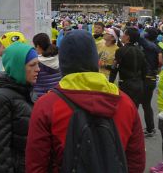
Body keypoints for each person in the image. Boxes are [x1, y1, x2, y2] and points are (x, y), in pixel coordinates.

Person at [26, 30, 145, 173]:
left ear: (63, 63)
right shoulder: (124, 102)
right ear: (95, 60)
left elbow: (36, 164)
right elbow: (136, 161)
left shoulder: (47, 105)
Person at [0, 42, 39, 173]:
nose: (38, 69)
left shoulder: (29, 90)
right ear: (18, 67)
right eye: (32, 65)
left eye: (38, 64)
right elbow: (1, 150)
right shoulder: (0, 98)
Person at [110, 27, 147, 108]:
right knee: (134, 111)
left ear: (128, 37)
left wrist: (110, 84)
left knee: (125, 110)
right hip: (139, 84)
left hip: (126, 85)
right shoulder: (140, 51)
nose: (122, 36)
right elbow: (145, 70)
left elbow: (114, 68)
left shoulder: (120, 51)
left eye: (123, 34)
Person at [139, 27, 163, 137]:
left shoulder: (149, 45)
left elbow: (139, 37)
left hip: (147, 78)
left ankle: (150, 129)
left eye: (146, 32)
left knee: (145, 104)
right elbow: (160, 63)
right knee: (146, 104)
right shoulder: (157, 47)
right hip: (151, 77)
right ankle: (150, 128)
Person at [32, 33, 61, 100]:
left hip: (41, 99)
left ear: (38, 46)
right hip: (58, 96)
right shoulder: (58, 56)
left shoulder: (37, 62)